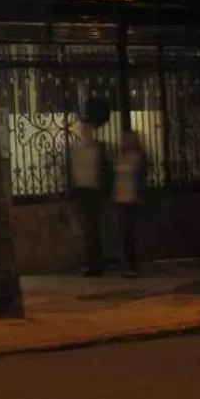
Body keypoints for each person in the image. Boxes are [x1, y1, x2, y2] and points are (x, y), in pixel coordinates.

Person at [68, 114, 110, 276]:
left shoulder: (98, 148)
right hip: (82, 192)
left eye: (87, 128)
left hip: (94, 192)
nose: (84, 131)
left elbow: (104, 171)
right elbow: (73, 171)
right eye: (82, 128)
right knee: (87, 231)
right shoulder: (76, 149)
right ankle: (92, 263)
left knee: (94, 230)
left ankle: (97, 265)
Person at [112, 129, 150, 277]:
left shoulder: (140, 158)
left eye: (129, 139)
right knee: (123, 233)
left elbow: (142, 177)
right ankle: (127, 264)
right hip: (120, 199)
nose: (126, 142)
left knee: (131, 233)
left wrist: (140, 194)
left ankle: (133, 265)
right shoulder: (120, 157)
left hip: (133, 199)